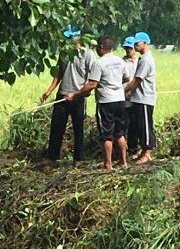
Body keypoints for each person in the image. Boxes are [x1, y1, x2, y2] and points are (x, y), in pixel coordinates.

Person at [67, 35, 130, 170]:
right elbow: (126, 78)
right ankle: (123, 162)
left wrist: (76, 94)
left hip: (106, 102)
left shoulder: (99, 63)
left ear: (101, 47)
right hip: (120, 99)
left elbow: (92, 84)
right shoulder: (120, 61)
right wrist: (114, 84)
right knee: (119, 133)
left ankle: (108, 164)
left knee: (106, 134)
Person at [40, 26, 97, 166]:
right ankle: (52, 157)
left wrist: (83, 93)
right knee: (56, 128)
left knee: (78, 129)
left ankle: (78, 159)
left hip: (78, 97)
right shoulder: (64, 54)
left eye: (70, 38)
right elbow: (58, 75)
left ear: (77, 37)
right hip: (62, 95)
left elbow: (93, 77)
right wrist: (48, 92)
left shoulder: (87, 54)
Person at [125, 31, 157, 165]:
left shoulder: (146, 60)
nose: (135, 46)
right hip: (138, 98)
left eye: (137, 43)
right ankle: (143, 151)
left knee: (145, 126)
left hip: (144, 97)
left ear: (145, 43)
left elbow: (137, 80)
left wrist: (123, 90)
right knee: (139, 125)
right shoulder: (142, 58)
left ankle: (147, 152)